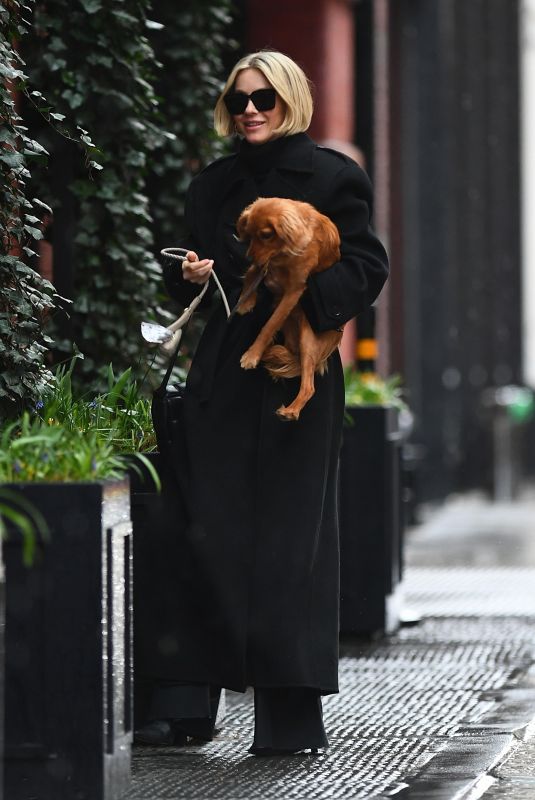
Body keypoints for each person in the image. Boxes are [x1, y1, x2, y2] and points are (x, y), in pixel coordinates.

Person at [135, 50, 389, 756]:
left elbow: (368, 266)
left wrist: (303, 292)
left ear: (291, 103)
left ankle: (290, 721)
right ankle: (184, 704)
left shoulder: (335, 177)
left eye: (264, 99)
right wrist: (191, 273)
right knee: (200, 531)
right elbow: (193, 287)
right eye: (240, 98)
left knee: (288, 548)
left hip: (292, 378)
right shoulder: (212, 184)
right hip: (223, 369)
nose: (250, 109)